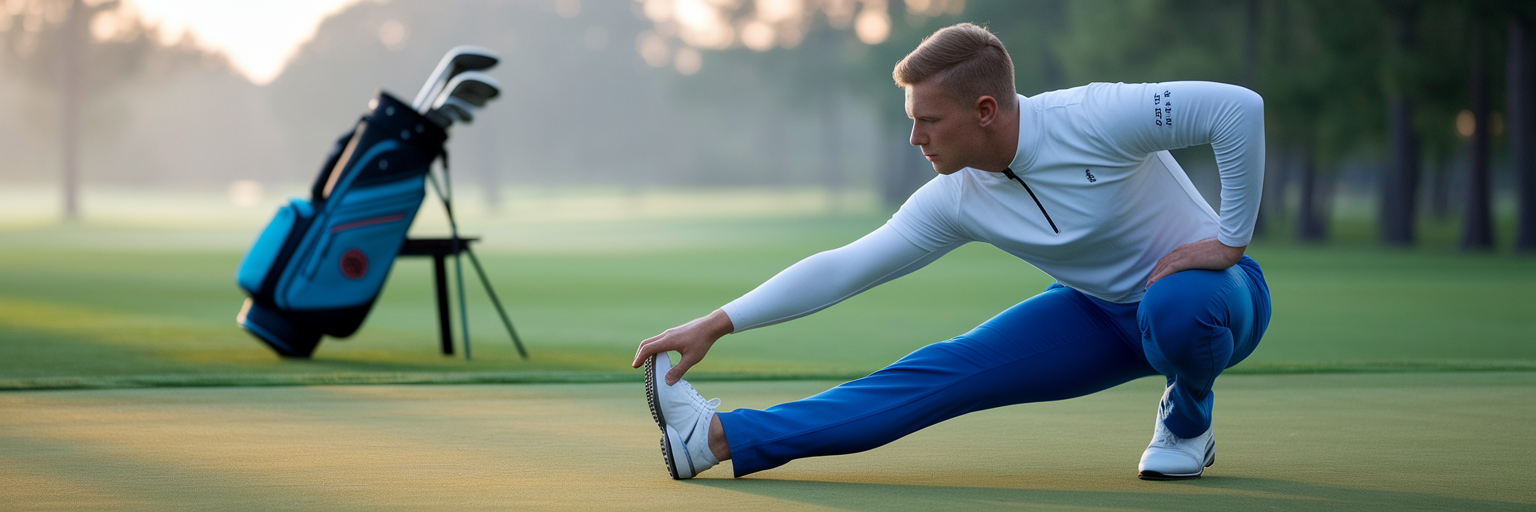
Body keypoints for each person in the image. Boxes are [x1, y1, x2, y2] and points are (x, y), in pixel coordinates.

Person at [632, 22, 1270, 481]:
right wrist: (715, 323)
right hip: (1096, 315)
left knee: (1180, 307)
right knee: (940, 373)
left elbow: (1236, 110)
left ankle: (1187, 424)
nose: (914, 138)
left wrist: (1229, 240)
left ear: (985, 109)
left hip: (1218, 294)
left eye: (927, 121)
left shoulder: (1094, 116)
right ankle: (713, 439)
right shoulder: (955, 197)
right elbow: (846, 266)